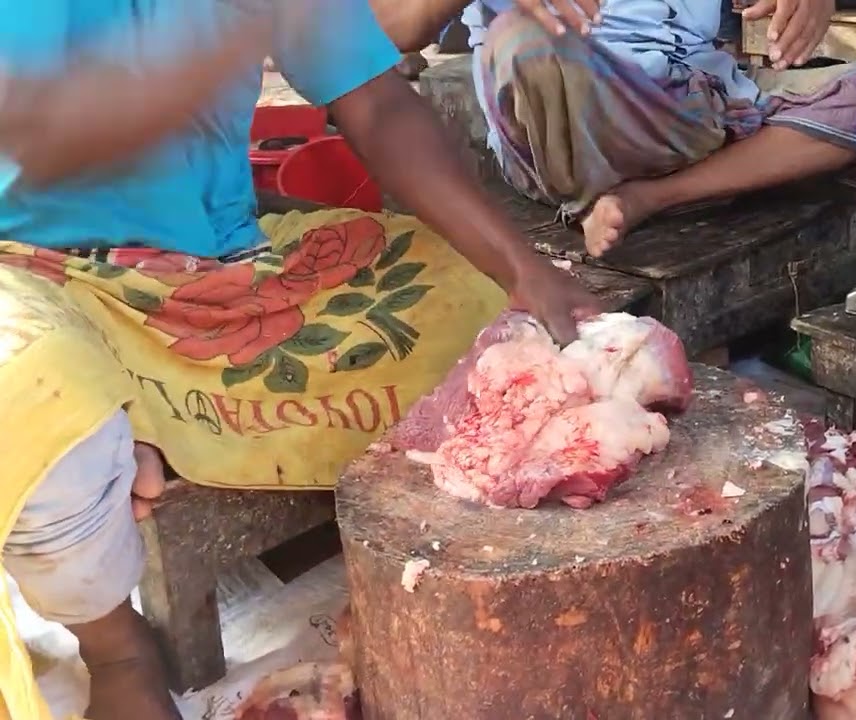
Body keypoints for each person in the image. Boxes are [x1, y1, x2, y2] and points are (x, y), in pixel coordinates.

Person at [0, 1, 602, 719]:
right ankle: (114, 646)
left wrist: (518, 269)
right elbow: (36, 130)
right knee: (25, 389)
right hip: (32, 274)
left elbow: (375, 102)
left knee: (477, 311)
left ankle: (136, 408)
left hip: (225, 275)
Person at [439, 0, 856, 257]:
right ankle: (602, 187)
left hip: (695, 110)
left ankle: (649, 197)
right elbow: (394, 30)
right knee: (522, 36)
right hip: (559, 124)